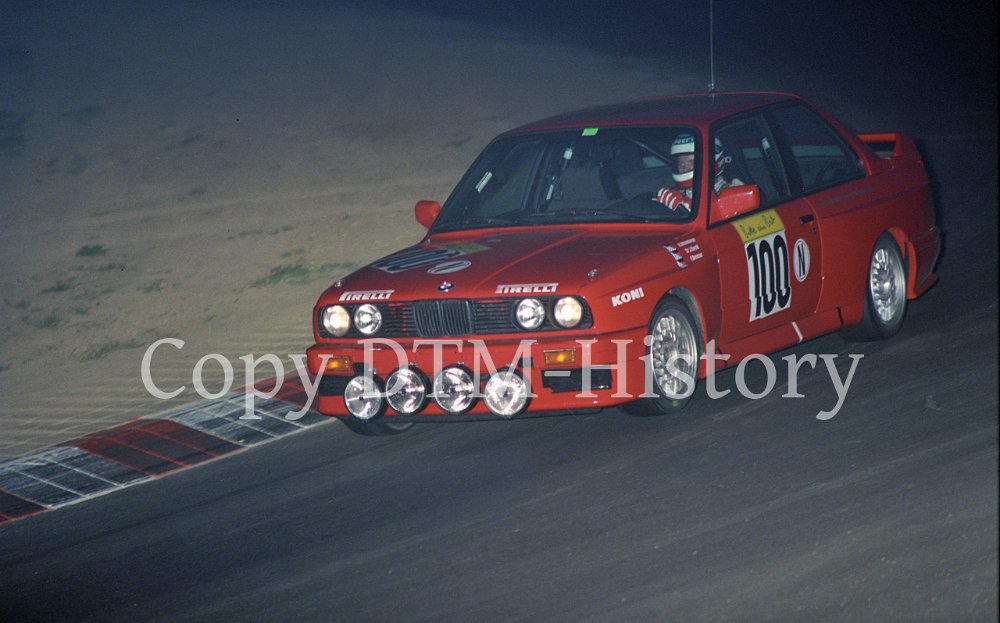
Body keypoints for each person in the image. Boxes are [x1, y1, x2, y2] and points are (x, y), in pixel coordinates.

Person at [655, 134, 744, 214]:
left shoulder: (734, 191)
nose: (684, 168)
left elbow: (726, 226)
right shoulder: (674, 195)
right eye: (681, 163)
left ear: (713, 161)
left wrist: (690, 209)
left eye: (692, 162)